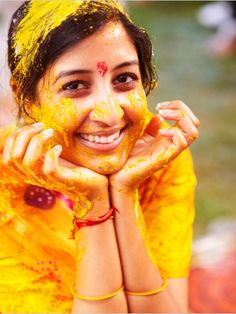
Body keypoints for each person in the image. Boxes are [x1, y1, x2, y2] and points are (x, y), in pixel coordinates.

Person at [0, 0, 200, 313]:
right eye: (75, 85)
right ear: (27, 97)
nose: (109, 114)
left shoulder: (156, 151)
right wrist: (92, 200)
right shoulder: (5, 184)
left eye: (123, 79)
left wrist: (123, 192)